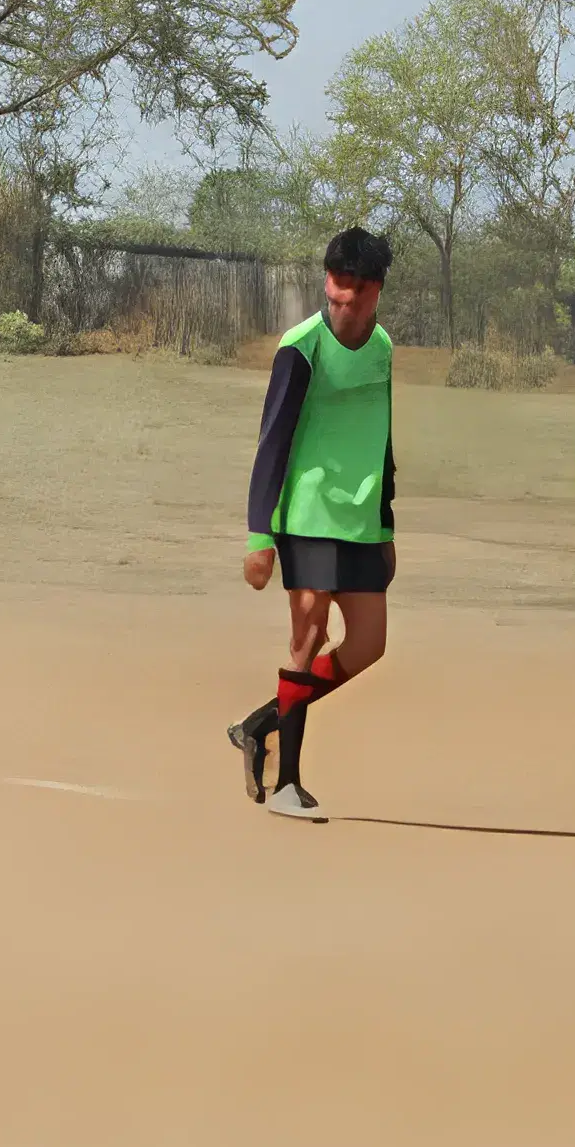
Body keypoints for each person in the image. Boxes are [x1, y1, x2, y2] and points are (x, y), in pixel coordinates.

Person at [227, 228, 397, 823]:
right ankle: (286, 787)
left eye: (352, 294)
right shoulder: (301, 345)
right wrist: (258, 535)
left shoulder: (383, 349)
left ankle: (262, 721)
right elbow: (271, 441)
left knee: (370, 643)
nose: (339, 304)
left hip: (360, 517)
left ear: (374, 291)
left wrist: (386, 526)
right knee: (308, 635)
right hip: (306, 513)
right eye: (332, 292)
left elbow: (383, 442)